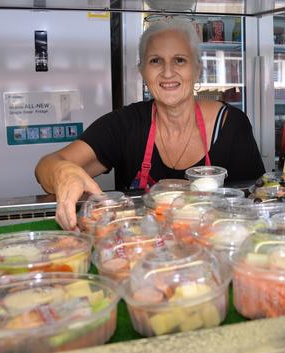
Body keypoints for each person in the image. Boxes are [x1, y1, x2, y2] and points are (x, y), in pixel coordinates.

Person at [35, 17, 265, 230]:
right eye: (156, 61)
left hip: (212, 246)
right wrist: (63, 172)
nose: (167, 72)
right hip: (143, 253)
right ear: (142, 71)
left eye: (180, 60)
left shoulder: (231, 125)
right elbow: (46, 166)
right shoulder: (125, 124)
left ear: (197, 70)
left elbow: (258, 200)